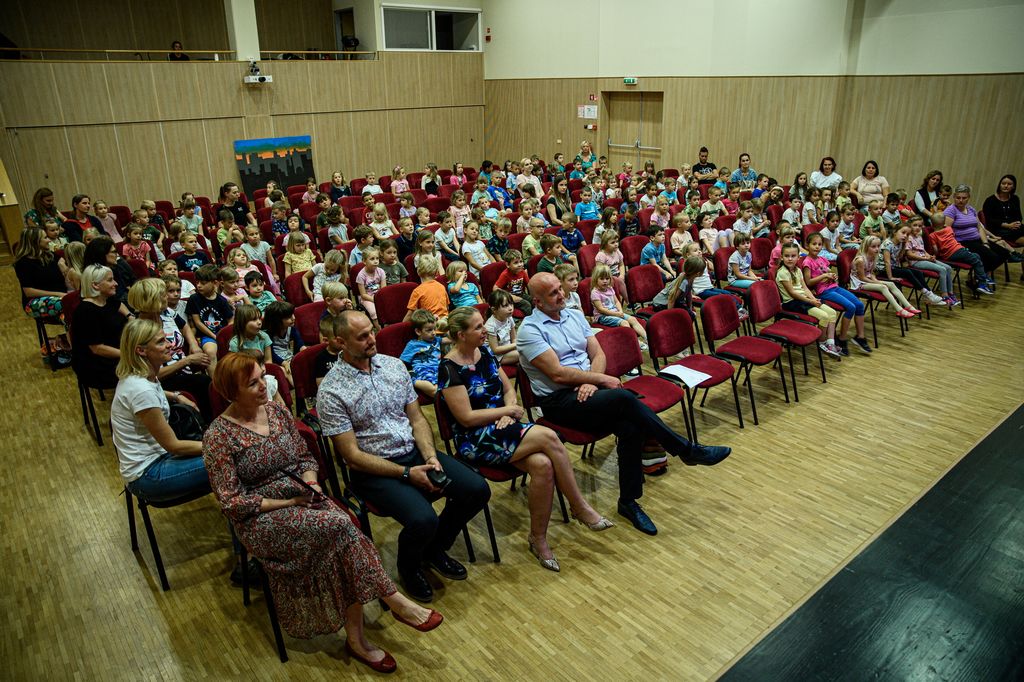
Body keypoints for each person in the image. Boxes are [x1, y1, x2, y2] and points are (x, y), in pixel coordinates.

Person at [204, 353, 442, 674]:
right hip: (261, 516)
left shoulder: (276, 411)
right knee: (342, 527)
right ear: (232, 393)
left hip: (303, 495)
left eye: (262, 377)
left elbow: (304, 457)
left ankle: (359, 638)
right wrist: (289, 502)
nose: (264, 385)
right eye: (253, 383)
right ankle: (391, 601)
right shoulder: (218, 436)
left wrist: (312, 482)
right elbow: (232, 502)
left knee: (341, 537)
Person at [516, 273, 731, 536]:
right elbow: (557, 374)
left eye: (560, 288)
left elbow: (598, 353)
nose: (562, 294)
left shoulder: (574, 315)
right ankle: (686, 450)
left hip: (589, 390)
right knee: (625, 397)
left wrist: (593, 381)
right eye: (553, 293)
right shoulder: (530, 331)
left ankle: (628, 502)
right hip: (559, 402)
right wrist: (599, 379)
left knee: (631, 426)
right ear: (537, 301)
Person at [317, 310, 491, 603]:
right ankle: (408, 568)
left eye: (371, 331)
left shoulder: (394, 366)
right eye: (362, 337)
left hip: (414, 452)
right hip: (373, 470)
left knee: (476, 490)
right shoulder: (332, 391)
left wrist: (429, 456)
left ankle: (433, 548)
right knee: (423, 519)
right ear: (340, 342)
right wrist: (408, 474)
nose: (372, 339)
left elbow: (417, 419)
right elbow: (351, 456)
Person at [439, 307, 612, 572]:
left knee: (542, 464)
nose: (485, 330)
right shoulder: (449, 368)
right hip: (475, 438)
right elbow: (466, 418)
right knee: (550, 437)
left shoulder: (484, 352)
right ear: (461, 335)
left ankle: (537, 539)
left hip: (504, 426)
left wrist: (509, 408)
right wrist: (506, 412)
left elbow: (509, 390)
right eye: (478, 327)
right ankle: (579, 506)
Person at [112, 318, 208, 501]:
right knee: (229, 459)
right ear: (141, 350)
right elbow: (174, 446)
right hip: (148, 475)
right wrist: (219, 446)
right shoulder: (141, 390)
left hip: (159, 458)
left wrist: (176, 396)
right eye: (161, 342)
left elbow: (152, 393)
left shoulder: (142, 376)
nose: (170, 344)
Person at [128, 277, 212, 418]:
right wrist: (187, 361)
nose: (167, 297)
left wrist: (193, 344)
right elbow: (148, 376)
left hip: (183, 369)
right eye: (163, 294)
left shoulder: (167, 313)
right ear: (152, 300)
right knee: (203, 383)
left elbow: (185, 327)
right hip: (163, 378)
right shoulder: (140, 331)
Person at [72, 264, 130, 388]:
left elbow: (119, 305)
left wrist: (130, 316)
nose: (116, 283)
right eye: (110, 280)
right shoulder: (86, 311)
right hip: (96, 366)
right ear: (95, 285)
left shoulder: (107, 299)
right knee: (145, 366)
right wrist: (128, 354)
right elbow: (97, 348)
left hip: (116, 352)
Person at [944, 184, 1010, 277]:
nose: (961, 200)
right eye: (958, 198)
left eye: (964, 198)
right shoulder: (951, 211)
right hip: (963, 242)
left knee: (1004, 253)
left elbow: (979, 227)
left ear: (968, 198)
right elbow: (946, 231)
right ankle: (980, 277)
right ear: (954, 197)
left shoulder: (971, 209)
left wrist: (985, 243)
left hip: (977, 240)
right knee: (992, 256)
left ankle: (980, 275)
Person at [14, 226, 67, 320]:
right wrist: (58, 294)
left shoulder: (49, 255)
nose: (49, 240)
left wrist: (63, 265)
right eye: (45, 238)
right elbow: (29, 291)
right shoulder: (23, 263)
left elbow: (62, 262)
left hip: (60, 295)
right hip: (34, 302)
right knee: (68, 304)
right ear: (35, 241)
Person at [982, 175, 1024, 248]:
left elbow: (1019, 216)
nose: (1006, 186)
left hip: (1014, 228)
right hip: (998, 229)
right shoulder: (990, 200)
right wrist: (1007, 225)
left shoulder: (1015, 198)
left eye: (1009, 184)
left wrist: (1016, 224)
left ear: (1013, 187)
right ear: (999, 185)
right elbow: (989, 220)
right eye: (1003, 183)